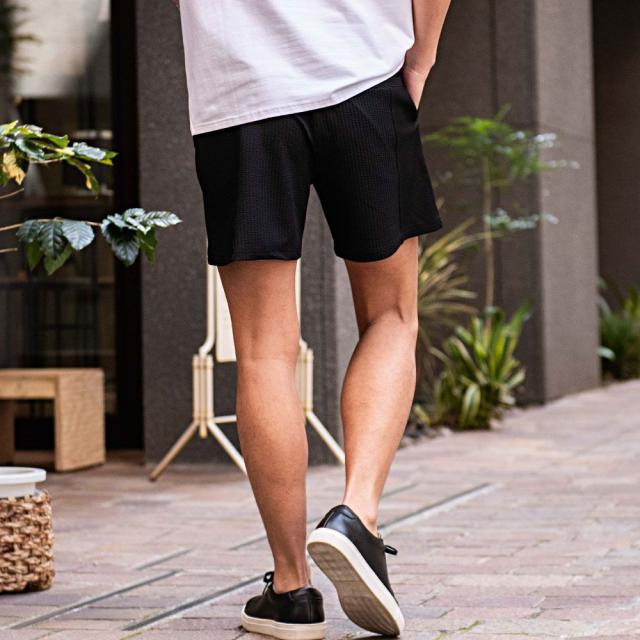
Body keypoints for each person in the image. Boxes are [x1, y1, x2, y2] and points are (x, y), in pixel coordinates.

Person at [176, 1, 451, 637]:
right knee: (390, 317)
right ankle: (357, 516)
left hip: (239, 99)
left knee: (263, 350)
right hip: (363, 74)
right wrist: (420, 58)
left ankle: (292, 589)